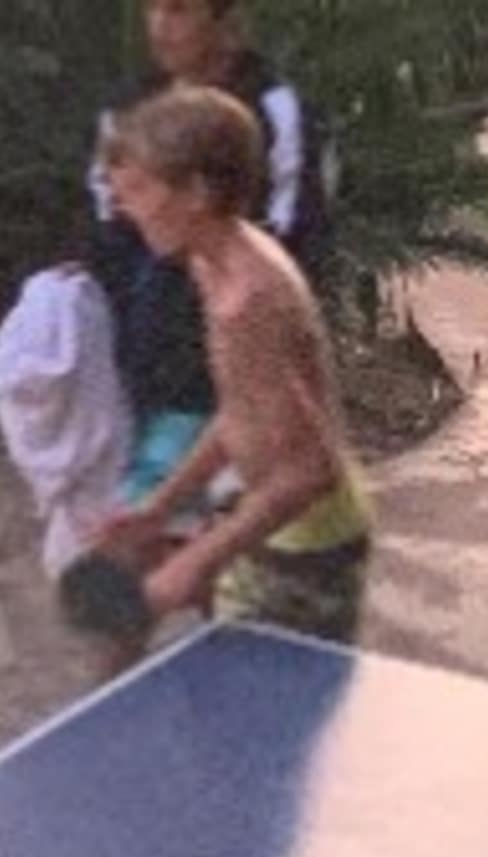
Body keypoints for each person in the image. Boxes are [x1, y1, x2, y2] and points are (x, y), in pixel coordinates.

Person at [94, 87, 371, 644]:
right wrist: (159, 506)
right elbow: (239, 411)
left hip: (309, 544)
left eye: (141, 189)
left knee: (268, 717)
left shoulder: (250, 297)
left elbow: (311, 470)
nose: (127, 208)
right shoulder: (208, 265)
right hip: (262, 519)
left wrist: (194, 562)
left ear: (196, 191)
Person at [85, 0, 332, 495]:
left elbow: (296, 231)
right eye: (150, 8)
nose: (159, 25)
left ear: (225, 19)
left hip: (221, 375)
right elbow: (107, 221)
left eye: (178, 9)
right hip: (144, 357)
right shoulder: (127, 108)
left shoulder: (275, 110)